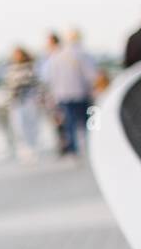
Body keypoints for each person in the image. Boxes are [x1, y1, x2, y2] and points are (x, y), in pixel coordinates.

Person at [39, 28, 100, 156]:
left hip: (63, 94)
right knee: (88, 121)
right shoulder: (81, 54)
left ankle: (73, 149)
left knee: (70, 122)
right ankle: (93, 145)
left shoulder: (56, 56)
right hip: (80, 92)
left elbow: (49, 78)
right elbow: (90, 74)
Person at [4, 45, 43, 161]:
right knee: (19, 127)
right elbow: (9, 87)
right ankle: (25, 149)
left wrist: (39, 98)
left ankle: (33, 148)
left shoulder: (30, 67)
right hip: (16, 102)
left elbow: (37, 85)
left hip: (29, 100)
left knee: (31, 125)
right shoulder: (11, 69)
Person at [37, 32, 71, 155]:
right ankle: (65, 145)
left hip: (62, 93)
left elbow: (46, 78)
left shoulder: (60, 56)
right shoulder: (48, 58)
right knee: (59, 121)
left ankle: (70, 146)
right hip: (55, 95)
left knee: (66, 120)